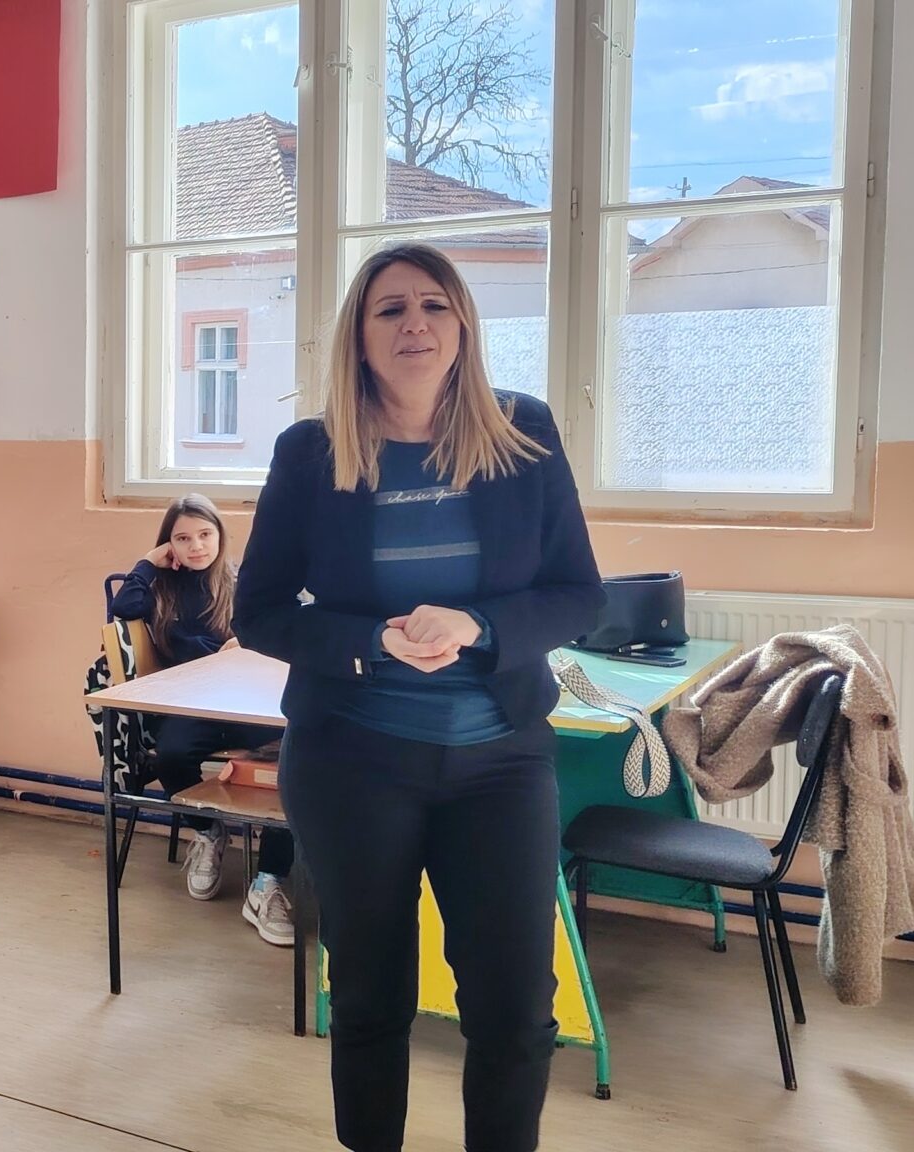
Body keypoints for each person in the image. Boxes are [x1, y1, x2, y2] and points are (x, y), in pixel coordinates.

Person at [235, 243, 603, 1152]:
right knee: (369, 997)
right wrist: (370, 641)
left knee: (515, 1009)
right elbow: (260, 611)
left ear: (463, 326)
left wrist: (478, 624)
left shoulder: (522, 432)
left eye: (435, 305)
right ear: (359, 335)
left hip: (500, 762)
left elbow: (578, 594)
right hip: (353, 762)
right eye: (390, 308)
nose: (415, 325)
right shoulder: (311, 452)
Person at [107, 494, 294, 945]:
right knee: (170, 755)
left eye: (205, 535)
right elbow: (123, 610)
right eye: (183, 538)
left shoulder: (238, 581)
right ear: (169, 544)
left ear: (220, 536)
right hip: (192, 703)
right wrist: (147, 563)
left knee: (294, 757)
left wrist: (246, 644)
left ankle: (268, 879)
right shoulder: (161, 587)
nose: (196, 546)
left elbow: (281, 626)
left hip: (247, 701)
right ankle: (207, 832)